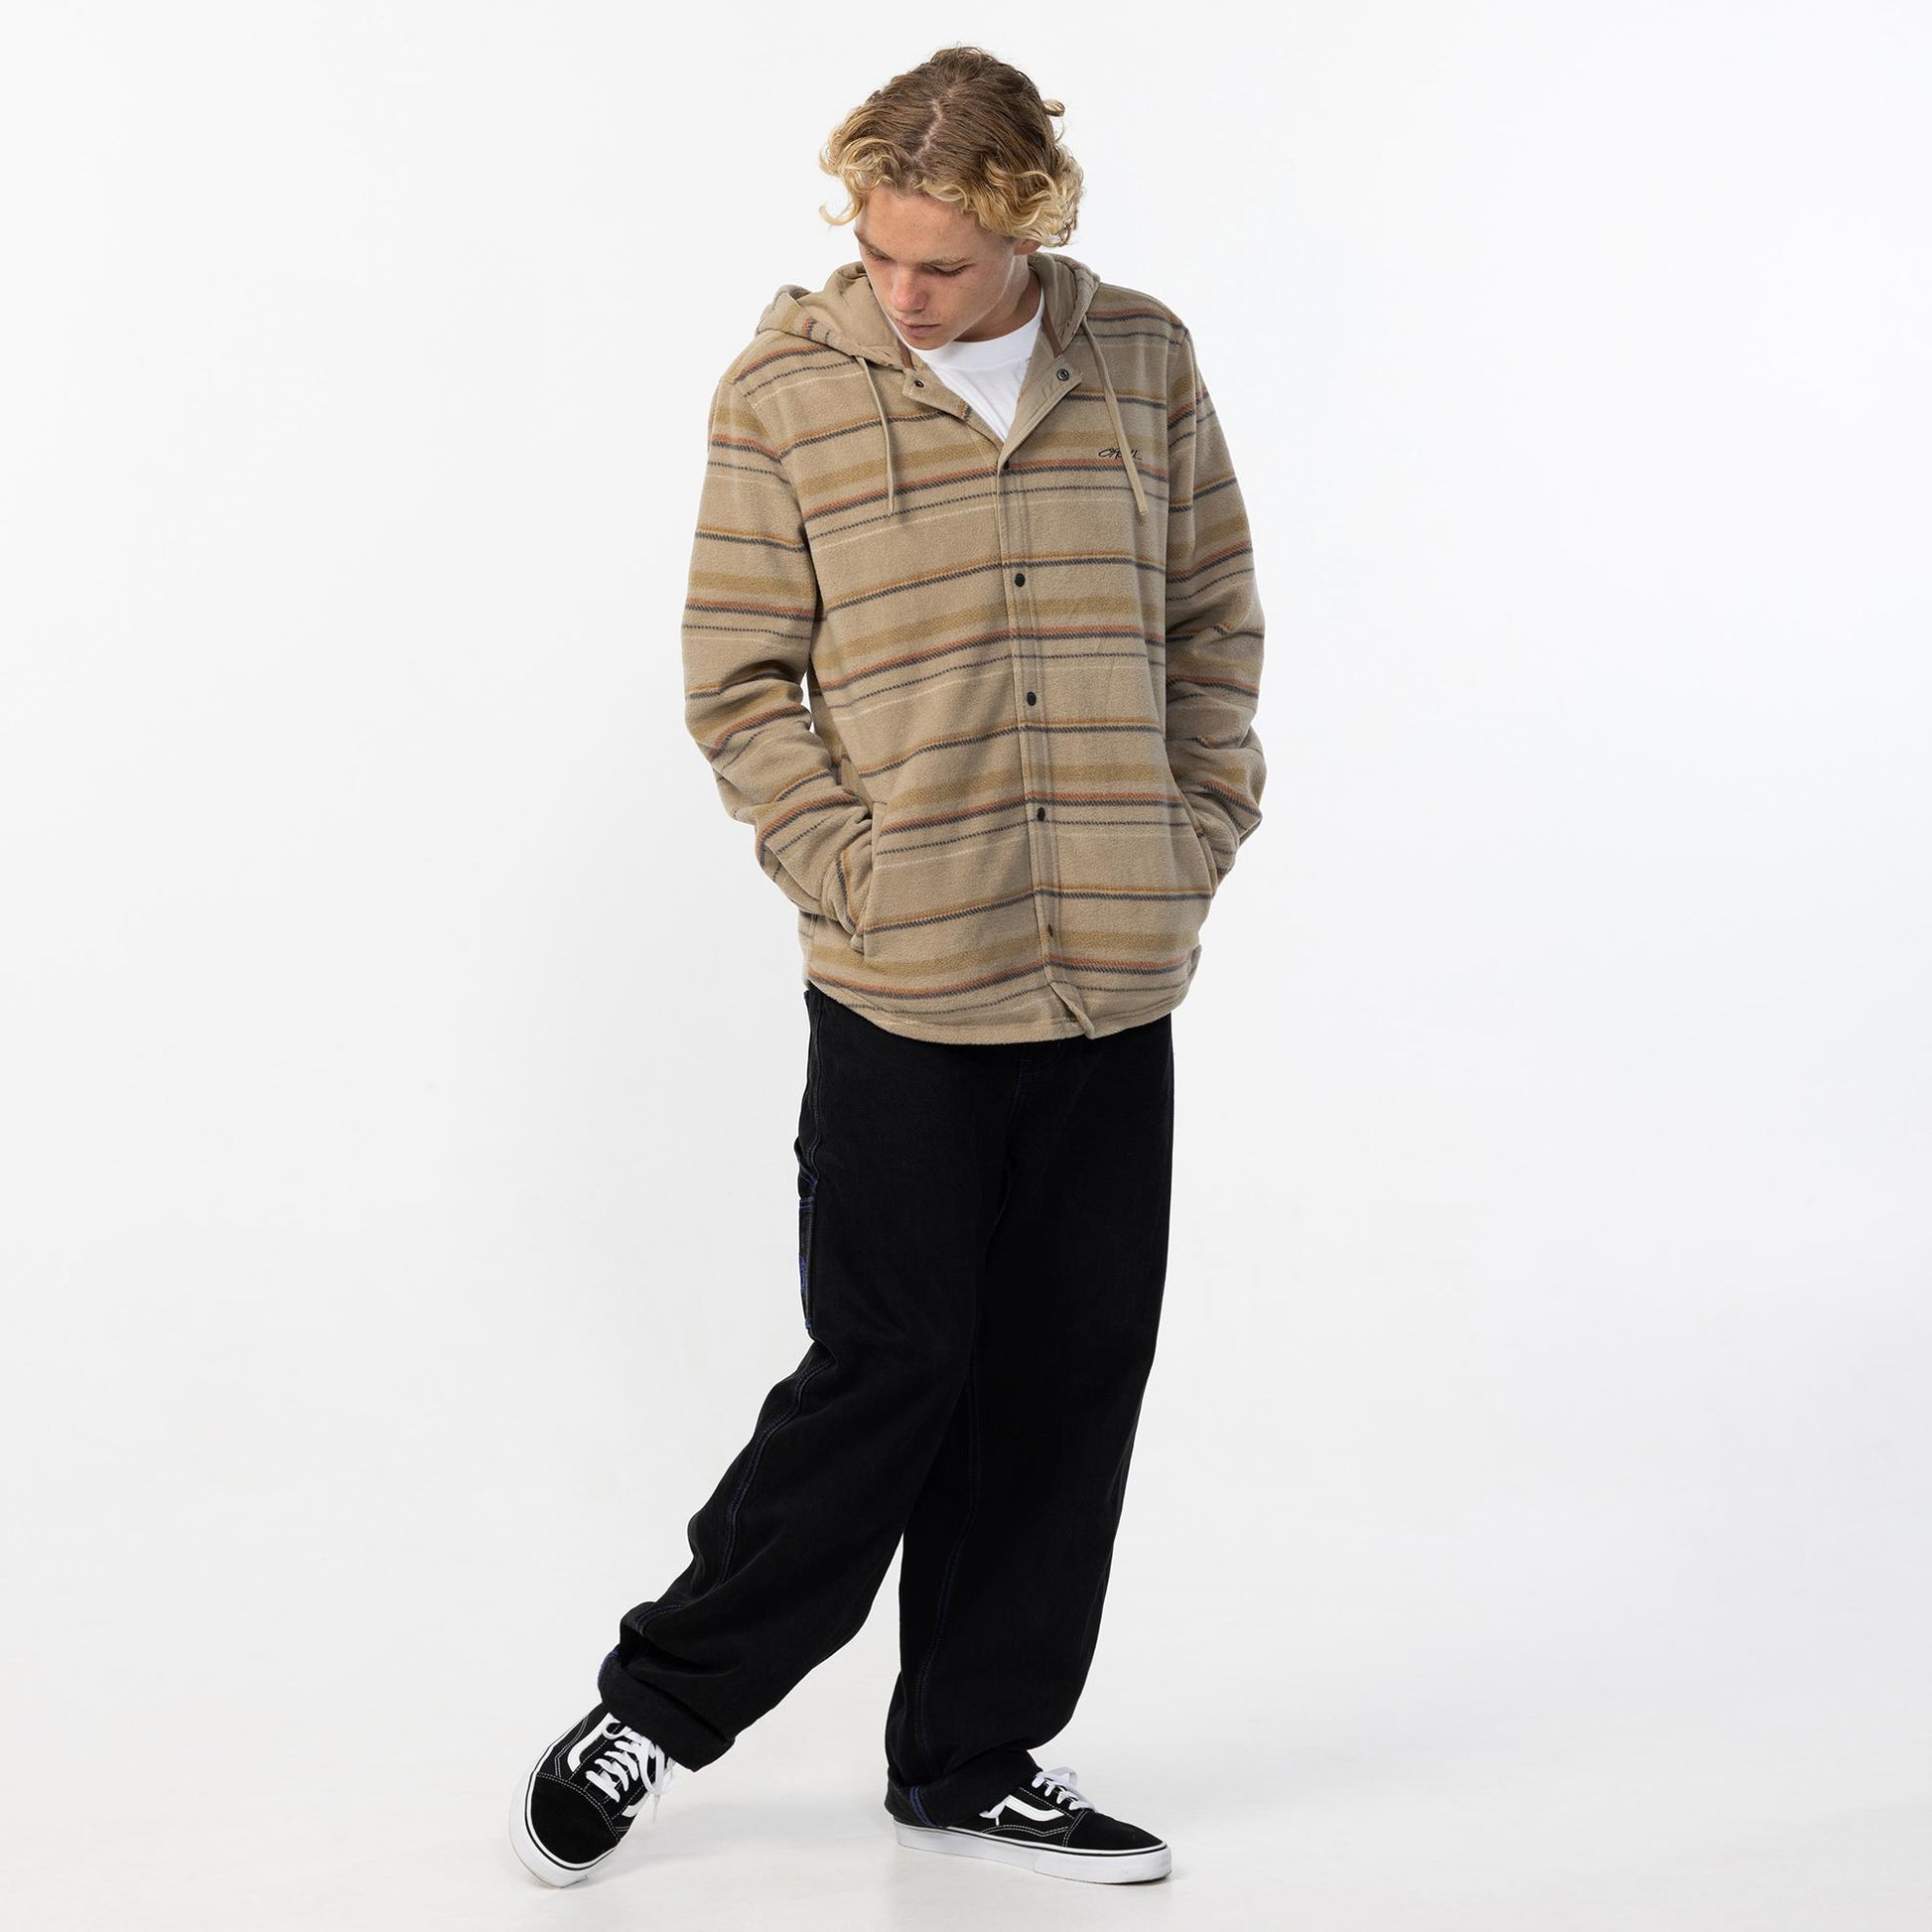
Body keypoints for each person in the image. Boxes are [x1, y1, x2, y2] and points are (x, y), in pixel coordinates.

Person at [509, 43, 1266, 1891]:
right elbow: (737, 680)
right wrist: (848, 869)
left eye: (942, 263)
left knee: (1066, 1377)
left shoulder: (1141, 360)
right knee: (888, 1368)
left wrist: (1194, 825)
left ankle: (971, 1757)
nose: (903, 292)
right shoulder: (786, 391)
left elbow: (1210, 619)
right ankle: (654, 1705)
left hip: (1112, 967)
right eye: (877, 250)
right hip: (903, 980)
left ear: (1031, 230)